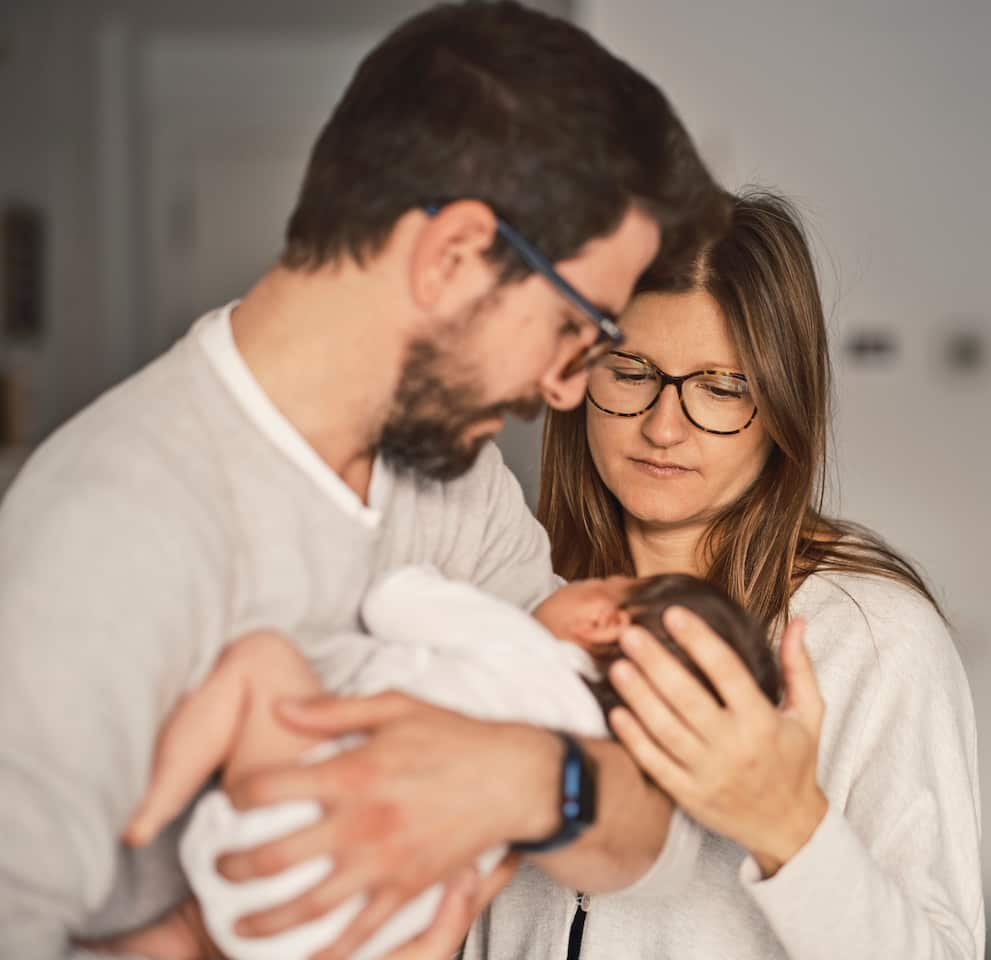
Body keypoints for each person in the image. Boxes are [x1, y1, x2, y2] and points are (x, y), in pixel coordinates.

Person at [0, 3, 730, 957]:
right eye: (574, 331)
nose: (563, 391)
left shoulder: (452, 481)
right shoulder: (108, 530)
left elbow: (656, 843)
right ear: (454, 255)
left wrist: (525, 777)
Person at [467, 190, 985, 958]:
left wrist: (789, 827)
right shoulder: (510, 598)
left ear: (783, 407)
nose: (663, 426)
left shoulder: (875, 640)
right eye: (633, 369)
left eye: (721, 387)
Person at [99, 569, 778, 960]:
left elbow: (396, 597)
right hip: (375, 931)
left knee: (260, 658)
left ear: (601, 618)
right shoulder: (594, 753)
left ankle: (150, 808)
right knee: (198, 938)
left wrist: (448, 592)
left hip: (294, 818)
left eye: (600, 581)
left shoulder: (515, 645)